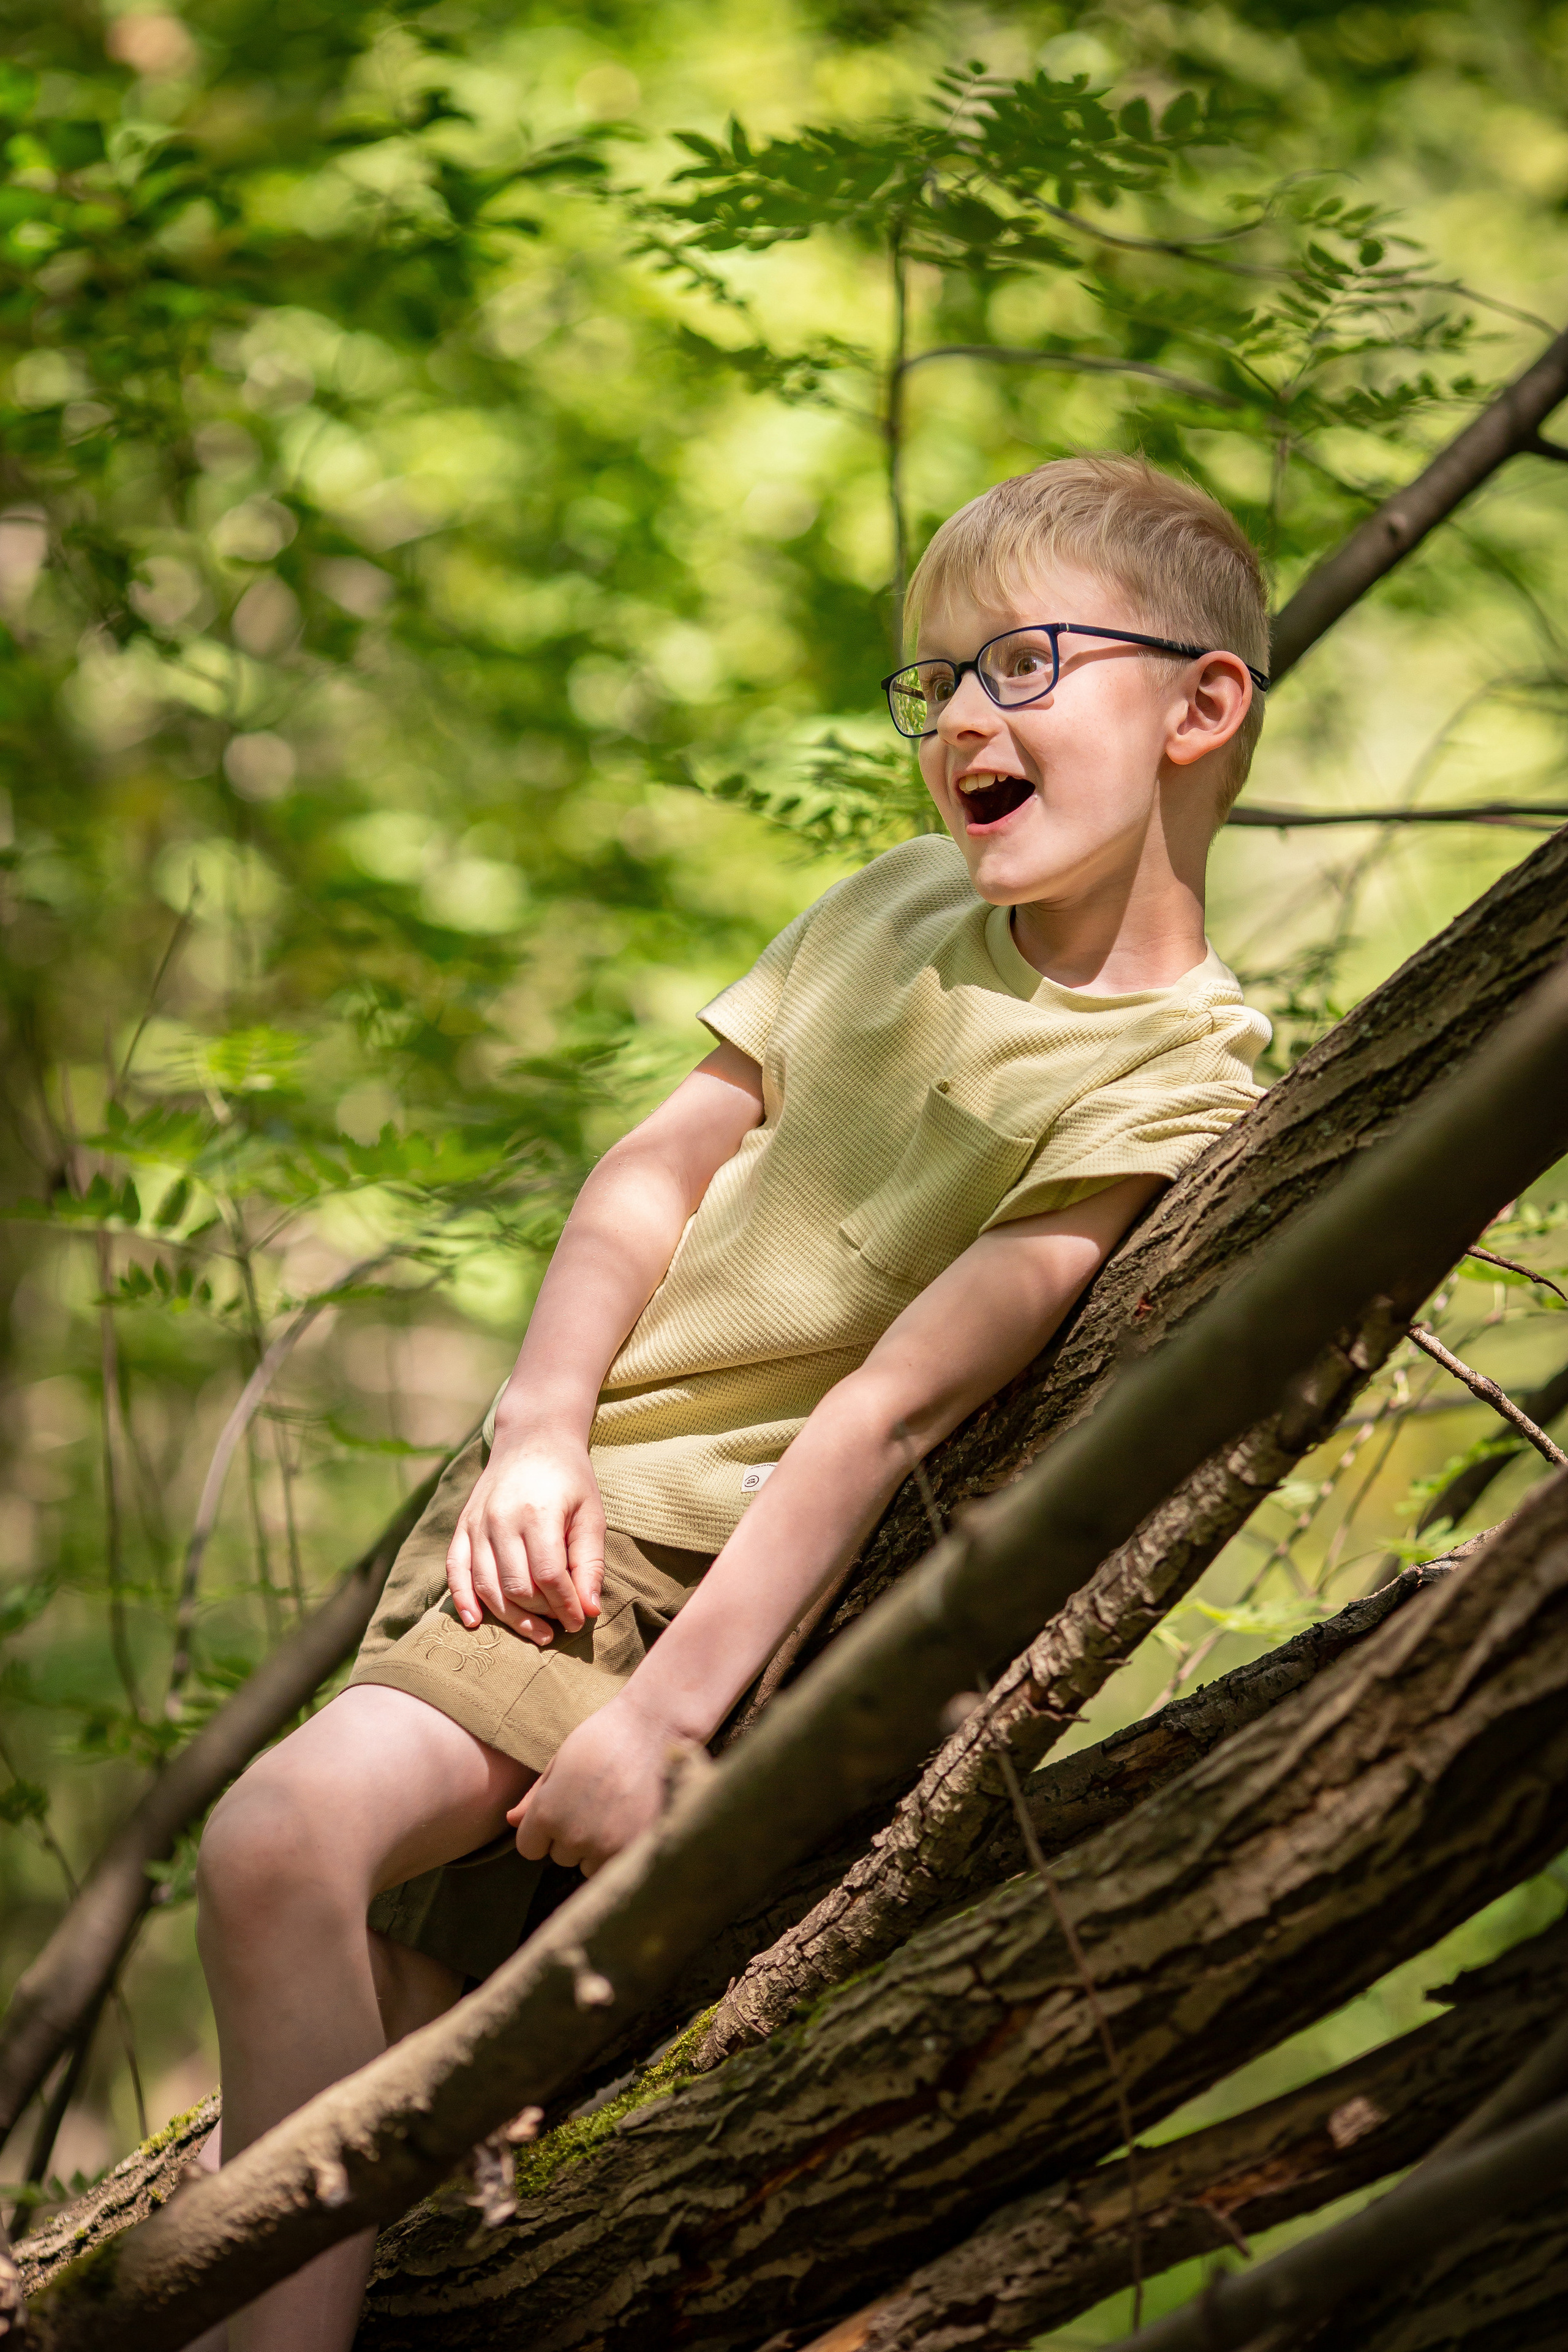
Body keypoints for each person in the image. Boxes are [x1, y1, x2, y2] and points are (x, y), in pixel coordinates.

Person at [194, 451, 1273, 2348]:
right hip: (553, 1512)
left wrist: (667, 1727)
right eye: (932, 683)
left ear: (1201, 706)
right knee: (375, 2016)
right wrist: (533, 1425)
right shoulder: (882, 912)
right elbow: (655, 1163)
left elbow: (889, 1412)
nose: (958, 721)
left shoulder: (1182, 1080)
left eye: (1021, 665)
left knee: (282, 1842)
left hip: (693, 1584)